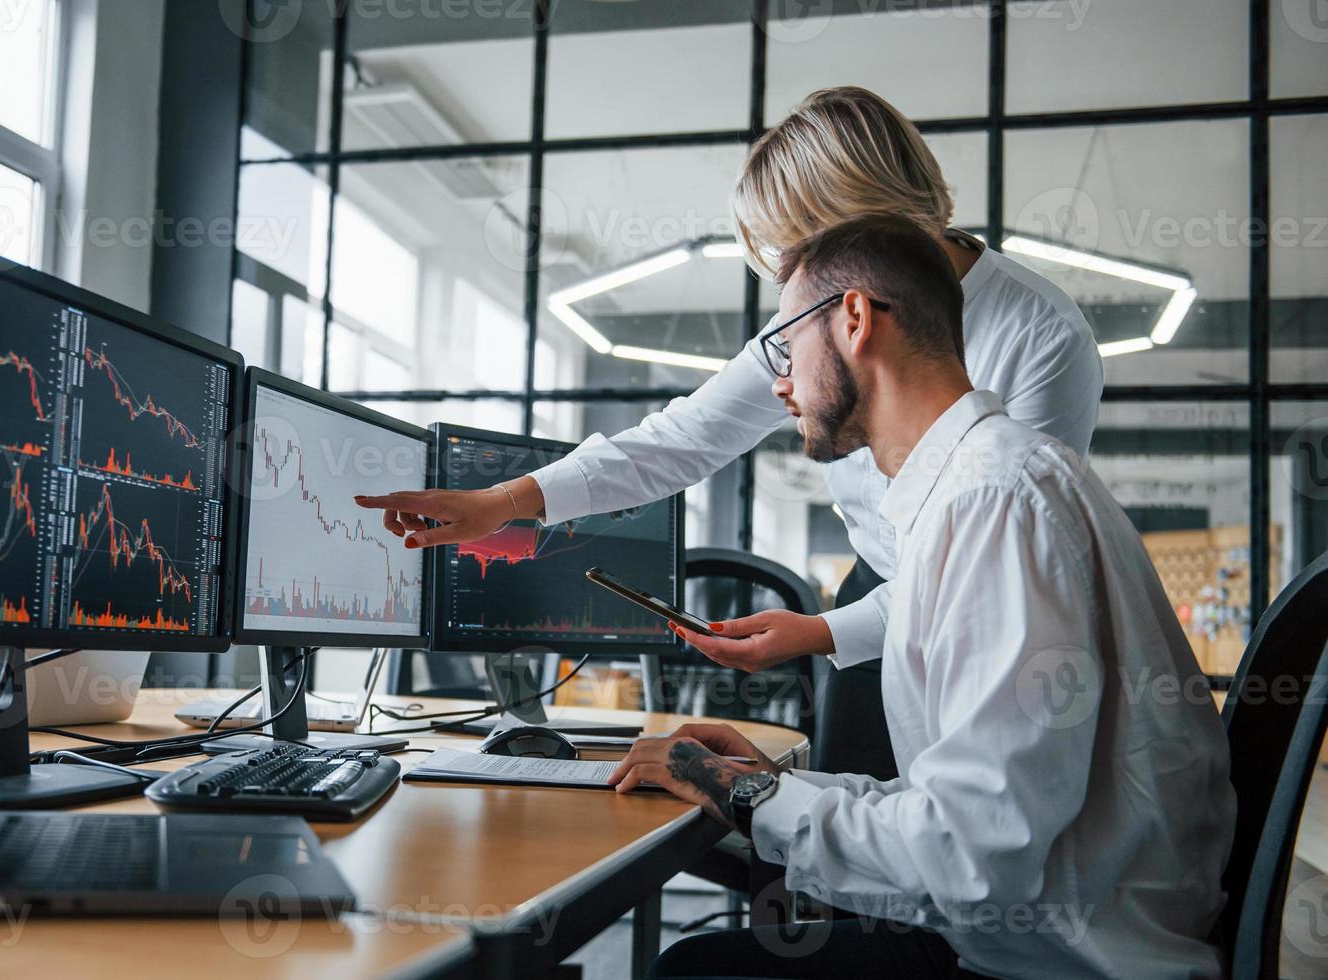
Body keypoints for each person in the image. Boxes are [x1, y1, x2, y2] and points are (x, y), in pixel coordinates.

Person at [355, 86, 1104, 780]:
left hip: (981, 603)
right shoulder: (809, 315)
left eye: (796, 257)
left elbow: (992, 565)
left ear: (854, 281)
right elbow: (679, 440)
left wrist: (818, 639)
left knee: (948, 839)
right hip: (879, 581)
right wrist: (508, 501)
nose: (786, 302)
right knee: (861, 828)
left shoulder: (1038, 335)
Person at [608, 214, 1234, 979]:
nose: (779, 384)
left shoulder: (993, 503)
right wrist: (785, 787)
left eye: (785, 347)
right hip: (1034, 934)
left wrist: (741, 792)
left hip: (1053, 961)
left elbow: (970, 855)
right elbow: (970, 807)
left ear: (854, 320)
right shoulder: (978, 490)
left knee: (692, 973)